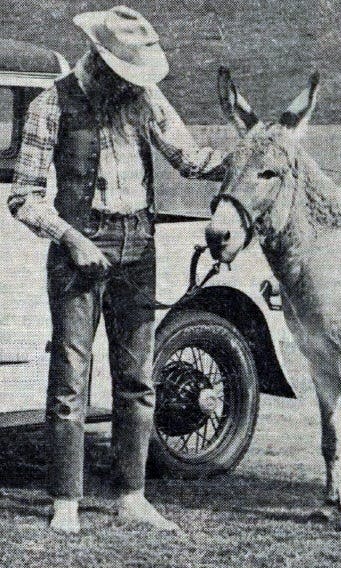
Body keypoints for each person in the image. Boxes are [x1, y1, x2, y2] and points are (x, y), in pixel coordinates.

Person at [8, 5, 227, 534]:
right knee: (70, 379)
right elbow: (24, 198)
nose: (132, 84)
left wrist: (244, 159)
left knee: (137, 380)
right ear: (99, 61)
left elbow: (188, 156)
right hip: (79, 248)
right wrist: (71, 238)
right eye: (123, 73)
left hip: (140, 244)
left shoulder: (145, 97)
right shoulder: (50, 104)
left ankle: (132, 494)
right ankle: (66, 500)